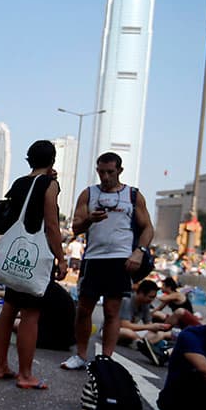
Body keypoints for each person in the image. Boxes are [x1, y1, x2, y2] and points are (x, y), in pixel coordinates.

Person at [63, 152, 153, 370]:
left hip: (120, 259)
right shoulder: (88, 194)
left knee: (112, 312)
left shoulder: (133, 195)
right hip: (94, 258)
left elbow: (147, 228)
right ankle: (81, 355)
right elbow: (75, 227)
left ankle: (106, 359)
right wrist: (89, 219)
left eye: (110, 172)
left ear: (119, 171)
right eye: (101, 172)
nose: (105, 176)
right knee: (84, 310)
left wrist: (139, 252)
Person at [0, 140, 67, 389]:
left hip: (15, 254)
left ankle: (1, 366)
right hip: (34, 257)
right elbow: (52, 225)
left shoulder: (20, 183)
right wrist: (62, 257)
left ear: (29, 160)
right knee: (30, 316)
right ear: (52, 160)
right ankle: (25, 374)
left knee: (9, 309)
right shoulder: (49, 185)